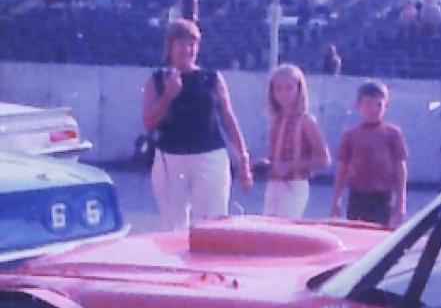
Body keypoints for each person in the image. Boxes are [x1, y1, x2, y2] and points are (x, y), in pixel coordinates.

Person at [141, 19, 253, 231]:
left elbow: (228, 118)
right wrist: (168, 95)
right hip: (170, 158)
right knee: (173, 226)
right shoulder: (157, 80)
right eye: (181, 44)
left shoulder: (212, 79)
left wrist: (243, 158)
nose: (187, 49)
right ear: (170, 46)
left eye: (192, 44)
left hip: (209, 156)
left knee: (212, 224)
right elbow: (148, 122)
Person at [330, 80, 408, 227]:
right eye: (368, 104)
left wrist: (401, 201)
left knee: (379, 233)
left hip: (382, 196)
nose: (373, 109)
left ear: (386, 106)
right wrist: (336, 200)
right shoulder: (350, 135)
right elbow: (342, 169)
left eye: (378, 105)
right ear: (358, 106)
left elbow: (400, 167)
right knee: (356, 231)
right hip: (357, 195)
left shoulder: (392, 134)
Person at [260, 64, 331, 219]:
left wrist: (289, 166)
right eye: (278, 89)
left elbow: (324, 159)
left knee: (285, 228)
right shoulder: (275, 120)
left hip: (294, 185)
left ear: (299, 90)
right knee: (268, 227)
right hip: (273, 184)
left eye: (289, 88)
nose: (283, 94)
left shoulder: (306, 121)